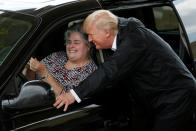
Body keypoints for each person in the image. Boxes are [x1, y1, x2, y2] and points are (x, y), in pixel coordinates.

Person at [53, 10, 196, 131]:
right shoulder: (119, 28)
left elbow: (110, 70)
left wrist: (74, 94)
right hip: (149, 97)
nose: (89, 39)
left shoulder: (134, 40)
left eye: (91, 34)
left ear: (107, 33)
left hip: (176, 97)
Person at [23, 23, 97, 96]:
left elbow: (67, 99)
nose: (71, 46)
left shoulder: (91, 73)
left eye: (76, 43)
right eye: (68, 42)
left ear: (88, 46)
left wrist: (44, 73)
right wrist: (30, 69)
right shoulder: (57, 56)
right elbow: (32, 82)